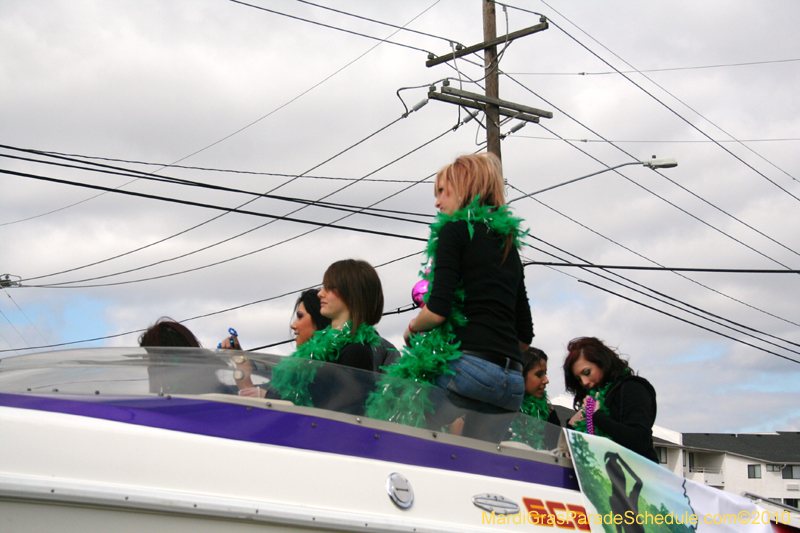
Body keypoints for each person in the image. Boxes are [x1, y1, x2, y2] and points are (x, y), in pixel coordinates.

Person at [375, 152, 532, 440]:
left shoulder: (454, 231)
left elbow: (437, 311)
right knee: (477, 463)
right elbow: (525, 336)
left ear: (464, 189)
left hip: (470, 369)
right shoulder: (509, 246)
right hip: (513, 382)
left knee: (406, 429)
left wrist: (412, 328)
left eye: (443, 192)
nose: (437, 202)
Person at [269, 259, 386, 411]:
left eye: (330, 288)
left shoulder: (355, 351)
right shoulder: (317, 348)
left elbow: (346, 410)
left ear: (351, 294)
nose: (320, 294)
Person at [563, 337, 658, 462]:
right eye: (578, 379)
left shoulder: (633, 388)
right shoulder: (593, 399)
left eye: (587, 372)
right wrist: (572, 425)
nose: (584, 382)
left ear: (602, 362)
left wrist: (597, 417)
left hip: (637, 476)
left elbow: (639, 440)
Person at [508, 347, 559, 448]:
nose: (546, 380)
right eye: (539, 374)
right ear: (521, 375)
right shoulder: (502, 409)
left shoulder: (550, 414)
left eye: (545, 373)